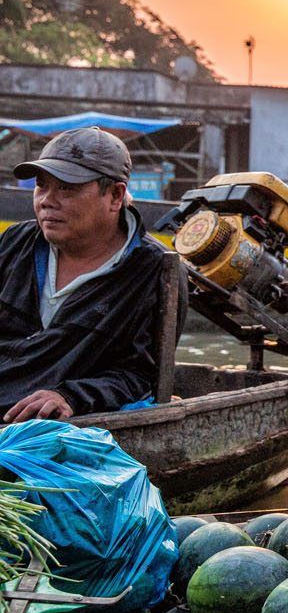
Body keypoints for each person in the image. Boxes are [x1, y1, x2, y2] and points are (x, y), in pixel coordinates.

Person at [0, 128, 176, 422]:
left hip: (40, 424)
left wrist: (70, 396)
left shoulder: (152, 269)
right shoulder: (15, 242)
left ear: (115, 195)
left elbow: (141, 376)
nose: (46, 201)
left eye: (66, 188)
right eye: (41, 186)